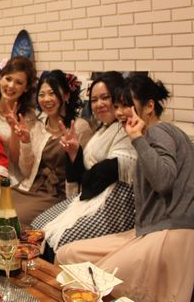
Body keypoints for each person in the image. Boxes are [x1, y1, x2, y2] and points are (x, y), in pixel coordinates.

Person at [57, 75, 194, 302]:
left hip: (170, 233)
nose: (120, 112)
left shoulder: (160, 131)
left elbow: (164, 181)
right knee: (67, 254)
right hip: (149, 230)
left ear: (149, 106)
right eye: (117, 106)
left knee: (96, 281)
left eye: (127, 105)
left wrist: (137, 138)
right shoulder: (148, 136)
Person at [31, 72, 138, 257]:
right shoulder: (101, 130)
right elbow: (87, 174)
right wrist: (74, 152)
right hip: (86, 196)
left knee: (58, 241)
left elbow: (104, 173)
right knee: (37, 227)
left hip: (111, 204)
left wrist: (82, 170)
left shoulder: (126, 129)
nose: (99, 104)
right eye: (94, 100)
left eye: (105, 98)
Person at [9, 70, 93, 225]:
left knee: (15, 217)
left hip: (59, 195)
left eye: (52, 93)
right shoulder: (37, 127)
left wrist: (74, 153)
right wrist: (26, 142)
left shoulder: (80, 128)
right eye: (41, 95)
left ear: (66, 95)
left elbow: (87, 170)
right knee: (0, 206)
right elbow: (26, 171)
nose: (46, 99)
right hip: (32, 188)